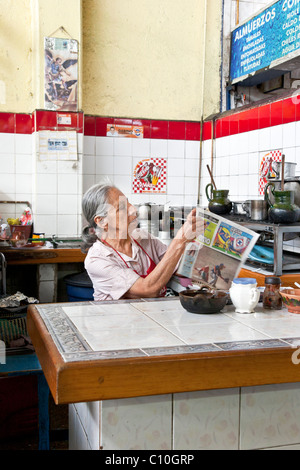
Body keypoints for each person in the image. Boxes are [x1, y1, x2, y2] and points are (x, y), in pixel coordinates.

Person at [81, 183, 204, 301]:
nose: (133, 210)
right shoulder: (97, 260)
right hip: (119, 320)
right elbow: (148, 290)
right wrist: (180, 241)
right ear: (102, 221)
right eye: (122, 207)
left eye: (128, 202)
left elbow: (176, 264)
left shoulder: (142, 237)